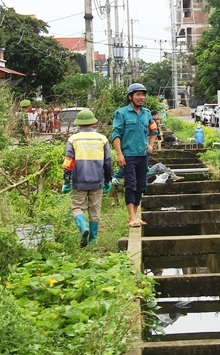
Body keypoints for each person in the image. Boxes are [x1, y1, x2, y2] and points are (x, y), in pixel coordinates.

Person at [61, 109, 113, 247]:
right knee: (95, 210)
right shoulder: (102, 139)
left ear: (79, 124)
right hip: (97, 181)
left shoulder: (73, 139)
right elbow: (107, 162)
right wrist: (108, 180)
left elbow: (69, 161)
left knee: (77, 207)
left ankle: (83, 227)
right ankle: (93, 241)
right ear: (93, 123)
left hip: (79, 181)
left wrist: (66, 181)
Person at [111, 82, 159, 227]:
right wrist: (119, 154)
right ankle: (131, 216)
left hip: (142, 155)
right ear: (130, 96)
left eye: (143, 95)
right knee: (131, 184)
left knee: (141, 185)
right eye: (138, 94)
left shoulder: (147, 113)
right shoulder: (121, 113)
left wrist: (151, 144)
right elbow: (116, 135)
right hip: (128, 156)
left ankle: (134, 214)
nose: (141, 97)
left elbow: (153, 130)